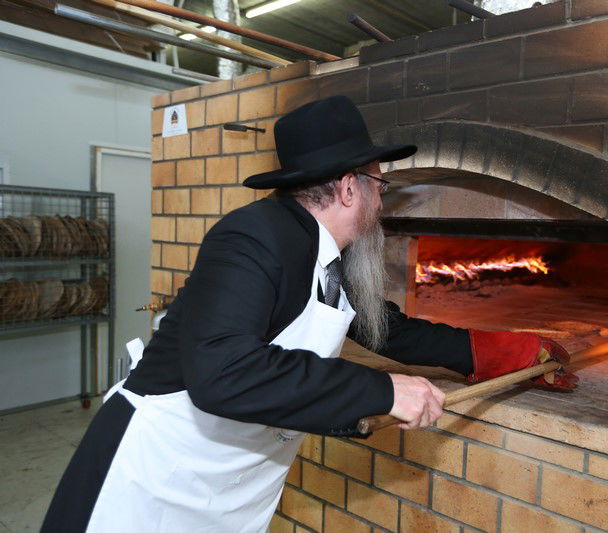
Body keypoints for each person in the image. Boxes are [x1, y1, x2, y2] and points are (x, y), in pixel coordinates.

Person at [42, 95, 576, 532]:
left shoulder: (331, 258)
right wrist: (383, 391)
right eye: (379, 186)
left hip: (226, 486)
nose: (381, 203)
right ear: (348, 188)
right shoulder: (251, 237)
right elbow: (224, 373)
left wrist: (497, 352)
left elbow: (386, 330)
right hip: (153, 478)